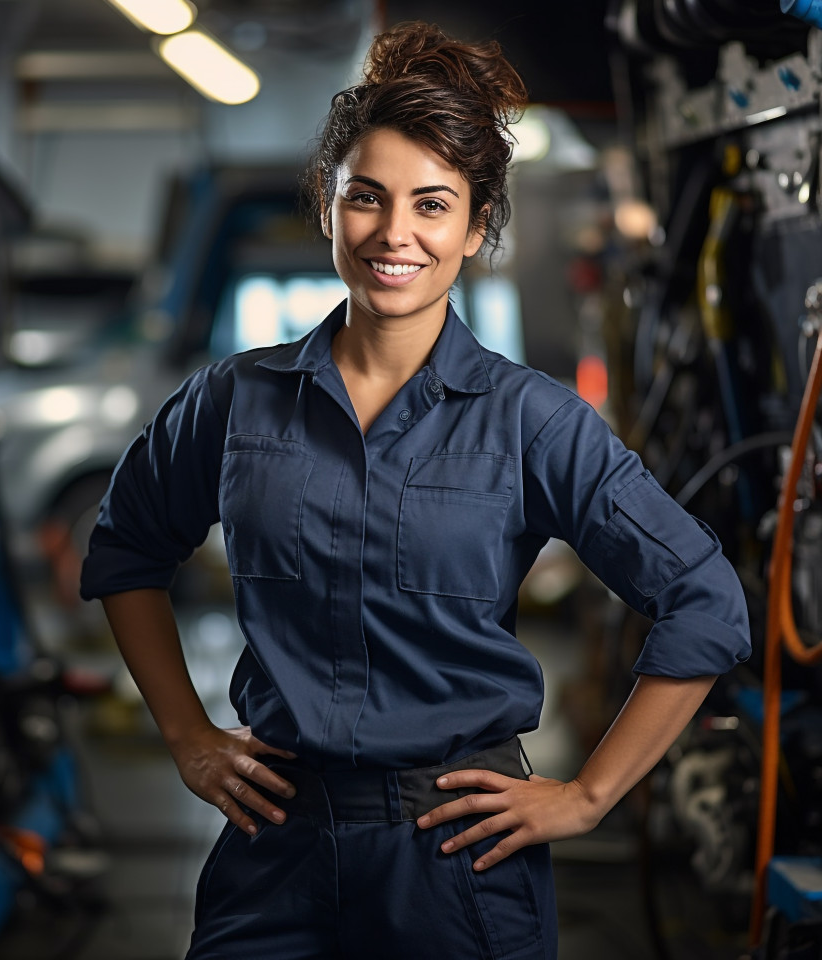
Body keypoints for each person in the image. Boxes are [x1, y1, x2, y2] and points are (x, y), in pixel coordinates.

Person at [80, 20, 751, 960]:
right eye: (367, 198)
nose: (396, 234)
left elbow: (704, 600)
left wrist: (589, 796)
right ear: (327, 206)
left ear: (475, 229)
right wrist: (190, 736)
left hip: (455, 863)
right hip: (273, 853)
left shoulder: (531, 421)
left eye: (432, 205)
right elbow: (126, 549)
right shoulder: (235, 400)